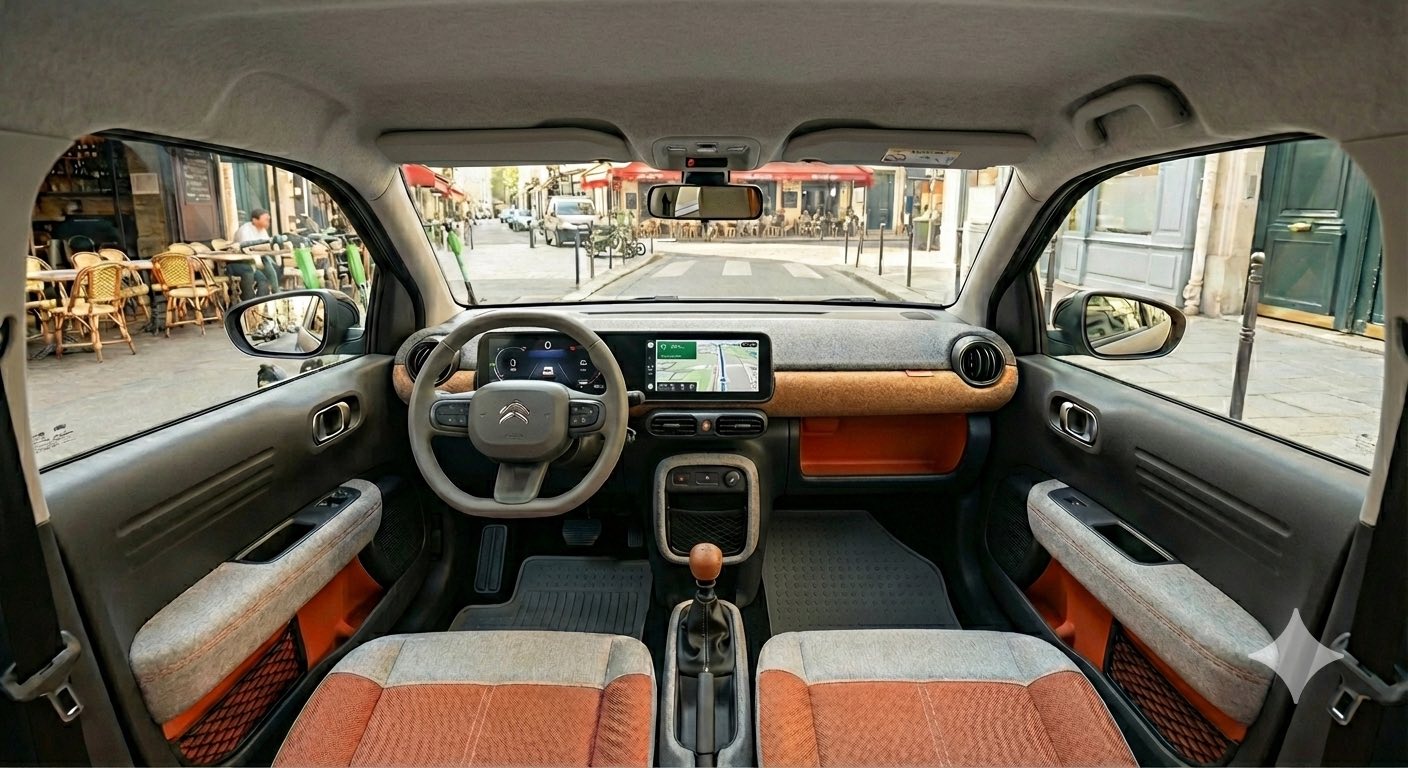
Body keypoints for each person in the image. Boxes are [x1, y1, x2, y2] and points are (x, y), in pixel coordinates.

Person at [228, 208, 281, 298]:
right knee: (260, 273)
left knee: (266, 277)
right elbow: (246, 249)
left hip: (256, 261)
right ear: (255, 220)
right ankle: (273, 294)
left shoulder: (262, 230)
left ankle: (267, 298)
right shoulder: (245, 230)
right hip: (242, 263)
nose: (268, 222)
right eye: (265, 219)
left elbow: (266, 246)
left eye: (268, 220)